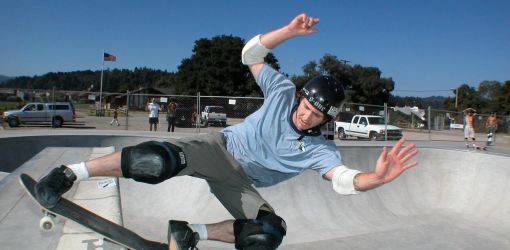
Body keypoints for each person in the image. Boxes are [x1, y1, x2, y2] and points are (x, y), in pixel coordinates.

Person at [33, 13, 418, 250]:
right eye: (306, 107)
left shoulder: (319, 150)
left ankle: (189, 233)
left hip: (241, 181)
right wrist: (287, 31)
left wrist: (377, 179)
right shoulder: (282, 91)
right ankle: (69, 173)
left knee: (267, 233)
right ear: (301, 98)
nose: (306, 117)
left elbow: (345, 181)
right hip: (218, 149)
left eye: (316, 116)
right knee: (155, 162)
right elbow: (251, 54)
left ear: (326, 120)